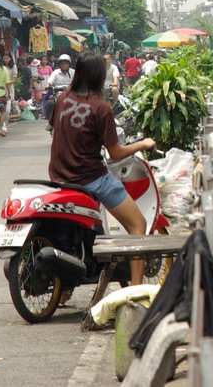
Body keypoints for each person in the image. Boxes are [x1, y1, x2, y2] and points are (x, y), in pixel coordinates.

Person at [48, 51, 157, 284]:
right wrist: (142, 144)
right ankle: (137, 288)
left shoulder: (61, 99)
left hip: (59, 176)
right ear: (99, 77)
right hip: (91, 179)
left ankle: (65, 289)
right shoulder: (101, 108)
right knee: (138, 224)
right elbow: (115, 153)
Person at [45, 54, 75, 126]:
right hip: (57, 93)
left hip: (71, 94)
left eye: (66, 63)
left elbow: (78, 82)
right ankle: (50, 123)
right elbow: (49, 81)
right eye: (62, 63)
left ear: (69, 64)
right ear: (59, 64)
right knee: (50, 103)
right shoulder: (55, 72)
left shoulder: (73, 72)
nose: (64, 65)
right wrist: (47, 85)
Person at [0, 53, 18, 134]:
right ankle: (2, 125)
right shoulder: (1, 67)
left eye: (7, 58)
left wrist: (7, 82)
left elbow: (14, 78)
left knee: (7, 110)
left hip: (9, 89)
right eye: (4, 58)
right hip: (0, 89)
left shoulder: (13, 67)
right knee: (1, 108)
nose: (5, 60)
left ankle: (5, 124)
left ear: (10, 58)